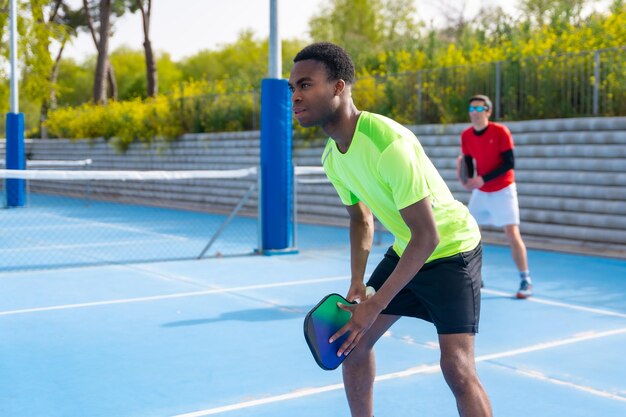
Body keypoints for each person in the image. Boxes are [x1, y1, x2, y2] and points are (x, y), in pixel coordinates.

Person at [289, 42, 492, 417]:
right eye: (293, 88)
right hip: (407, 248)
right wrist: (356, 281)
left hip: (451, 249)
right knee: (353, 344)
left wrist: (375, 304)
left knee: (457, 368)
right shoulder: (332, 157)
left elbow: (428, 236)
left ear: (338, 86)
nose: (296, 96)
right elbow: (360, 219)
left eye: (305, 84)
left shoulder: (388, 143)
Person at [458, 95, 533, 299]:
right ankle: (475, 276)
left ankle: (525, 279)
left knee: (511, 232)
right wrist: (471, 180)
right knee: (470, 232)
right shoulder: (466, 135)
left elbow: (509, 163)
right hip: (481, 191)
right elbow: (468, 161)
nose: (474, 112)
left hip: (503, 189)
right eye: (471, 108)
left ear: (488, 111)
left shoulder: (501, 132)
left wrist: (483, 179)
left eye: (479, 109)